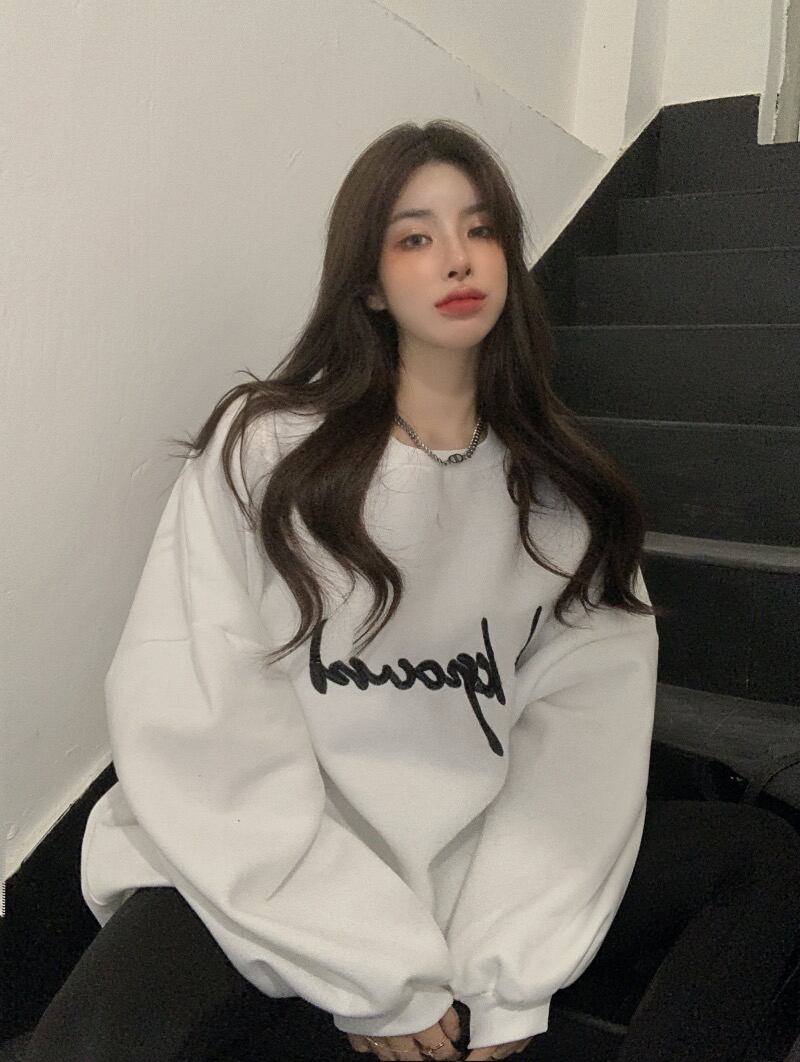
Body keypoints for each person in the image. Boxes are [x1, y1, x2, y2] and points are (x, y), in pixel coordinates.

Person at [25, 120, 800, 1062]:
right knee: (92, 1041)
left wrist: (506, 972)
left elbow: (576, 757)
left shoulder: (563, 501)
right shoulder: (267, 451)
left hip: (462, 869)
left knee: (760, 859)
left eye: (480, 230)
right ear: (368, 282)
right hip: (266, 864)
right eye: (415, 237)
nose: (456, 258)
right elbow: (203, 720)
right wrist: (369, 966)